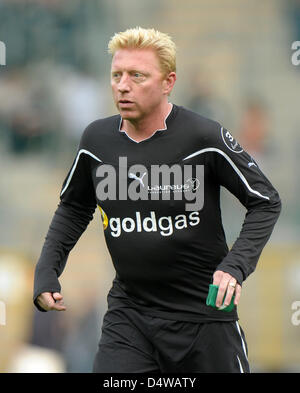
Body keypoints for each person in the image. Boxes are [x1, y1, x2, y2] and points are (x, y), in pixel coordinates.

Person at [33, 27, 281, 373]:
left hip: (204, 317)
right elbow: (74, 207)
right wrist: (46, 272)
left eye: (137, 75)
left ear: (168, 82)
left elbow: (265, 201)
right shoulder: (96, 140)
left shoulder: (204, 137)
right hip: (130, 316)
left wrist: (234, 267)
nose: (123, 84)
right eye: (117, 75)